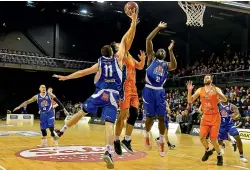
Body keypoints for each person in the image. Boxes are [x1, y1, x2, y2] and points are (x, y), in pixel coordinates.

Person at [53, 9, 138, 169]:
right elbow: (128, 37)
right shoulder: (119, 59)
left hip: (99, 94)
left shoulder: (99, 63)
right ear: (113, 51)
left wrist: (66, 77)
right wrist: (133, 21)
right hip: (112, 96)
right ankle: (107, 151)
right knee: (108, 124)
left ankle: (61, 130)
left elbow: (82, 73)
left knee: (81, 112)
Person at [143, 21, 177, 157]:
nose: (162, 51)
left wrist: (170, 51)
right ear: (156, 53)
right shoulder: (151, 58)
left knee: (162, 118)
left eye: (164, 51)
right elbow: (148, 39)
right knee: (150, 118)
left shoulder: (166, 64)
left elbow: (174, 66)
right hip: (148, 89)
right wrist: (158, 27)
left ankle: (162, 141)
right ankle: (146, 135)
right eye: (161, 50)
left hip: (159, 91)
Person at [112, 44, 146, 155]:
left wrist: (143, 60)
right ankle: (116, 140)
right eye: (118, 45)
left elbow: (140, 67)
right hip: (124, 88)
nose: (121, 45)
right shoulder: (118, 56)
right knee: (123, 115)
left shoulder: (129, 55)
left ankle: (126, 140)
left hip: (133, 88)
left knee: (134, 113)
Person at [186, 75, 227, 166]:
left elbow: (225, 99)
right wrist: (189, 91)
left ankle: (219, 156)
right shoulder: (200, 90)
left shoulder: (216, 89)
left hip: (215, 117)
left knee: (213, 139)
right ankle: (208, 150)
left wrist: (218, 93)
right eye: (205, 78)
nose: (206, 79)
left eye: (208, 78)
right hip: (205, 116)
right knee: (201, 137)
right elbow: (190, 100)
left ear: (211, 80)